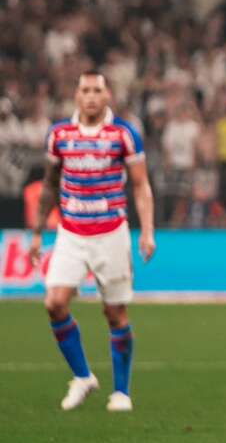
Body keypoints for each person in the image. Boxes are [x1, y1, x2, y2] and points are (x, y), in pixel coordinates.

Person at [28, 71, 156, 412]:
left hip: (111, 233)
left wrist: (147, 230)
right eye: (85, 90)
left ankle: (121, 393)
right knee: (55, 303)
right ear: (76, 94)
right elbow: (50, 184)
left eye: (97, 90)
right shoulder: (59, 135)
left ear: (107, 94)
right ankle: (83, 377)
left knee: (114, 312)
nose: (91, 97)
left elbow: (141, 184)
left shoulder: (124, 134)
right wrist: (38, 232)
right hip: (71, 232)